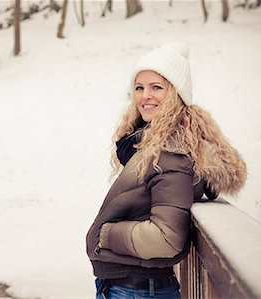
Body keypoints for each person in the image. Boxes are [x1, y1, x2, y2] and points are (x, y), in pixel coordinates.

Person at [85, 43, 247, 299]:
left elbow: (166, 239)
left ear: (176, 94)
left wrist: (106, 234)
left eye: (157, 87)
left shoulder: (170, 154)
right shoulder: (151, 145)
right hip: (133, 287)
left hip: (137, 291)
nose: (145, 96)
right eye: (139, 87)